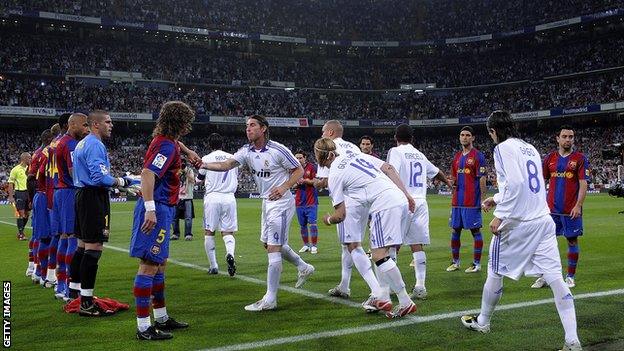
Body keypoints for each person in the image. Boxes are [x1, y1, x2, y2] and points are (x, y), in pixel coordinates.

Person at [461, 111, 581, 351]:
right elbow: (526, 185)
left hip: (519, 223)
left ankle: (483, 321)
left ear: (493, 131)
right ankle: (572, 341)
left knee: (495, 270)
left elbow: (515, 184)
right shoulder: (530, 148)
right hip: (543, 220)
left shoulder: (502, 148)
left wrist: (500, 215)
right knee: (557, 279)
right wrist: (496, 198)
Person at [202, 115, 314, 312]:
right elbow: (226, 165)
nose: (248, 129)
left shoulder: (278, 150)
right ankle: (303, 267)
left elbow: (299, 169)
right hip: (267, 202)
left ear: (263, 129)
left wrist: (285, 186)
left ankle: (270, 299)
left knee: (274, 248)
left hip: (281, 202)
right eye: (246, 126)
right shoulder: (246, 151)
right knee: (269, 244)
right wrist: (203, 165)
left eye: (252, 125)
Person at [316, 137, 417, 318]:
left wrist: (328, 219)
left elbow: (341, 215)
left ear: (321, 158)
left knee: (378, 255)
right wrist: (407, 195)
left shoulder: (334, 175)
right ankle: (385, 297)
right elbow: (388, 168)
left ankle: (404, 300)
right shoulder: (357, 156)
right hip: (397, 199)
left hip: (384, 204)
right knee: (383, 253)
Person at [130, 101, 199, 340]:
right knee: (149, 265)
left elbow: (174, 145)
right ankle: (143, 328)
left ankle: (161, 317)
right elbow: (148, 174)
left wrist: (187, 151)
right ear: (181, 123)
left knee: (159, 263)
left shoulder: (166, 142)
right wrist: (150, 209)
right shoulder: (167, 147)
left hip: (164, 208)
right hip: (157, 208)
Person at [72, 110, 136, 314]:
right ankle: (87, 303)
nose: (112, 125)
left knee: (82, 246)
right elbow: (99, 177)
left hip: (82, 195)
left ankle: (75, 294)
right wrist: (121, 181)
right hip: (93, 197)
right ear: (96, 125)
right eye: (108, 122)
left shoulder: (83, 143)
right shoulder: (94, 144)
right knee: (94, 248)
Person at [386, 124, 453, 300]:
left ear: (396, 137)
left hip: (403, 200)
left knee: (393, 243)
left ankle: (393, 286)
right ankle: (420, 286)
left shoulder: (395, 151)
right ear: (412, 138)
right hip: (421, 202)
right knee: (417, 244)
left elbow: (391, 171)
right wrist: (447, 182)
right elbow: (437, 172)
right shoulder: (420, 155)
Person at [315, 120, 375, 300]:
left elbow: (325, 181)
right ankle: (344, 286)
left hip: (347, 201)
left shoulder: (326, 148)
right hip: (364, 199)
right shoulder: (354, 147)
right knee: (347, 245)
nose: (322, 134)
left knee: (353, 246)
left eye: (323, 131)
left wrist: (316, 183)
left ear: (331, 132)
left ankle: (377, 291)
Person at [532, 125, 589, 289]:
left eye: (571, 137)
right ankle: (544, 276)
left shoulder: (580, 158)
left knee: (572, 241)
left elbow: (583, 183)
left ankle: (570, 276)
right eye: (564, 136)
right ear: (558, 138)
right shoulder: (550, 158)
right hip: (551, 210)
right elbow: (541, 181)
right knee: (545, 243)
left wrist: (578, 205)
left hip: (571, 209)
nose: (568, 139)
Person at [51, 113, 90, 301]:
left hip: (60, 191)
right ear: (72, 124)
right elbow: (76, 173)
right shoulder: (71, 144)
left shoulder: (61, 142)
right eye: (84, 125)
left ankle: (61, 285)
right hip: (69, 192)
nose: (86, 129)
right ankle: (69, 288)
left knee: (64, 236)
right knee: (73, 236)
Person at [447, 126, 487, 273]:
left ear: (473, 138)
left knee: (475, 231)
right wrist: (452, 183)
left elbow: (482, 178)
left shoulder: (478, 156)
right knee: (455, 230)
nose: (464, 137)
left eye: (467, 135)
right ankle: (455, 262)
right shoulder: (457, 157)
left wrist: (482, 199)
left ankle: (477, 264)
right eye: (462, 135)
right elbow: (454, 178)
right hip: (457, 201)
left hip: (471, 201)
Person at [198, 133, 239, 276]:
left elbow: (199, 178)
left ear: (209, 145)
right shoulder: (233, 157)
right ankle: (230, 253)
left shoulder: (206, 158)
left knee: (209, 232)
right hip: (229, 197)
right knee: (228, 232)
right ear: (223, 144)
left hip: (213, 197)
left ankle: (214, 266)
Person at [27, 129, 54, 285]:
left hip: (39, 195)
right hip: (44, 195)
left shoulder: (37, 152)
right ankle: (44, 274)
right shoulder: (46, 153)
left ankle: (36, 269)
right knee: (47, 236)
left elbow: (30, 175)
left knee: (39, 234)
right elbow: (33, 177)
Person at [42, 122, 62, 288]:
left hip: (50, 193)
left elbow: (40, 172)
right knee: (66, 236)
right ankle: (63, 282)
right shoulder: (64, 144)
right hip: (62, 194)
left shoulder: (49, 149)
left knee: (55, 235)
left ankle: (49, 275)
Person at [294, 150, 319, 254]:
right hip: (299, 201)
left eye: (300, 158)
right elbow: (292, 185)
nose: (298, 160)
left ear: (305, 158)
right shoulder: (293, 169)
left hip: (311, 201)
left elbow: (316, 181)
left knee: (312, 223)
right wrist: (296, 184)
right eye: (297, 158)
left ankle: (314, 246)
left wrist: (305, 181)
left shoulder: (312, 167)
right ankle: (306, 245)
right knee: (302, 225)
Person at [8, 152, 31, 241]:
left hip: (28, 193)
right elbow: (10, 183)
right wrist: (11, 196)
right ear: (24, 159)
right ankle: (21, 234)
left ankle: (20, 231)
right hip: (20, 192)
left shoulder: (30, 169)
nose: (30, 159)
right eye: (29, 158)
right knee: (21, 214)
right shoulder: (15, 169)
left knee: (27, 214)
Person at [172, 158, 195, 241]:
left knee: (188, 217)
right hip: (177, 197)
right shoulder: (176, 171)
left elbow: (193, 180)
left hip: (187, 197)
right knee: (174, 217)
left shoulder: (189, 170)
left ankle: (188, 234)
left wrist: (185, 172)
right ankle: (175, 234)